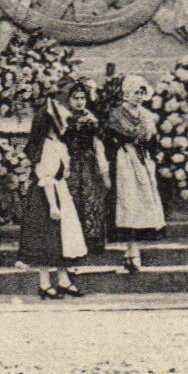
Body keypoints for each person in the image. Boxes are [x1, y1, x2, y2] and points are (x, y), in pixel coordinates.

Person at [19, 91, 88, 299]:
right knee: (49, 239)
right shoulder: (46, 146)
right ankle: (44, 283)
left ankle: (64, 280)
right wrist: (53, 205)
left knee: (63, 239)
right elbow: (46, 176)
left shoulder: (58, 144)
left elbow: (62, 172)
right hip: (47, 194)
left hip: (60, 190)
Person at [106, 75, 164, 274]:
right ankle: (130, 249)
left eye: (141, 93)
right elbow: (111, 139)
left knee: (143, 201)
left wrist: (152, 148)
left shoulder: (146, 115)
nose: (138, 97)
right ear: (126, 94)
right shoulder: (117, 115)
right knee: (128, 201)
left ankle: (135, 249)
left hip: (142, 160)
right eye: (135, 93)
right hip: (124, 160)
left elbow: (152, 139)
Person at [62, 80, 112, 258]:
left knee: (91, 202)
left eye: (82, 98)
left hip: (89, 167)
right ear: (69, 100)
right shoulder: (63, 120)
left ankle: (92, 243)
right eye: (75, 98)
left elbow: (99, 148)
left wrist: (105, 174)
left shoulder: (92, 121)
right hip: (70, 166)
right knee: (72, 202)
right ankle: (73, 245)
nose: (79, 102)